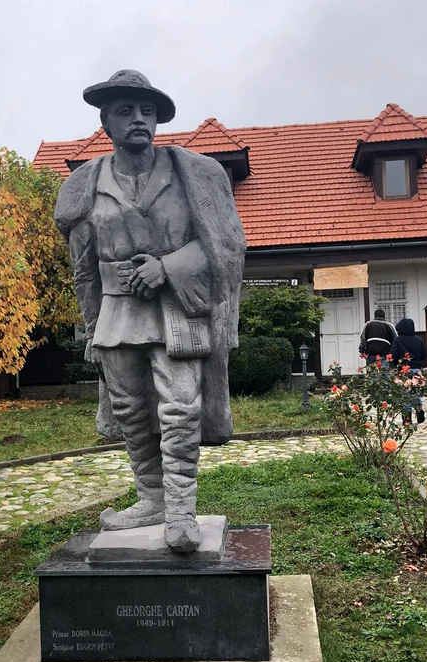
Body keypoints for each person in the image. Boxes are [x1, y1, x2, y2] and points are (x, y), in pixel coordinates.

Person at [54, 70, 246, 552]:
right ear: (106, 122)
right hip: (117, 314)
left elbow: (224, 245)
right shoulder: (85, 185)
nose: (138, 120)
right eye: (125, 112)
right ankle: (152, 496)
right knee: (131, 410)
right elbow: (84, 270)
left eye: (147, 112)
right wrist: (92, 329)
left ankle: (181, 509)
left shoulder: (194, 174)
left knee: (181, 407)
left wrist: (167, 267)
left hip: (177, 308)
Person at [391, 317, 427, 424]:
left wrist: (397, 363)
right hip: (417, 369)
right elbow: (424, 354)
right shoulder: (419, 339)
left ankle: (407, 417)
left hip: (403, 370)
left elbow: (394, 355)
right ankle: (419, 410)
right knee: (416, 392)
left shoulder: (398, 340)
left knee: (405, 393)